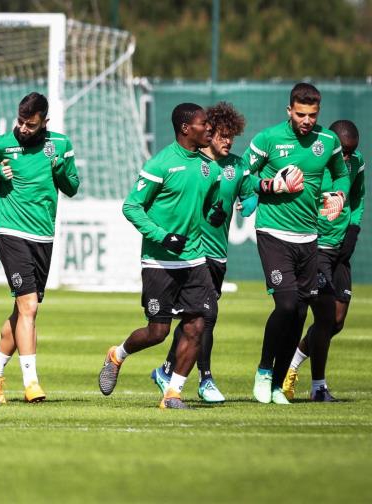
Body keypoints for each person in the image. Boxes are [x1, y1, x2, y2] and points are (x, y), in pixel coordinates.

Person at [99, 102, 223, 410]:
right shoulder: (160, 164)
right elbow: (131, 206)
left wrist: (215, 214)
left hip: (194, 259)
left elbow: (206, 207)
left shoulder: (211, 168)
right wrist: (163, 236)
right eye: (203, 123)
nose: (209, 128)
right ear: (185, 128)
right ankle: (118, 355)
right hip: (158, 262)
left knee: (198, 324)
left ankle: (173, 394)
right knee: (158, 332)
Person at [245, 83, 349, 405]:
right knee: (287, 305)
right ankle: (264, 371)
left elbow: (342, 175)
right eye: (301, 114)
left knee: (300, 313)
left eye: (312, 115)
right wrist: (271, 184)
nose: (306, 120)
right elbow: (243, 178)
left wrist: (339, 195)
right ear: (289, 110)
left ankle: (278, 386)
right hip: (274, 234)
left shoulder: (328, 142)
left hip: (310, 237)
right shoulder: (267, 139)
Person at [151, 102, 257, 403]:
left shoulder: (237, 166)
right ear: (208, 133)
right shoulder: (192, 163)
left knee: (194, 320)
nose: (227, 142)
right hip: (193, 253)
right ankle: (204, 378)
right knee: (205, 317)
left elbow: (249, 197)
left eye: (231, 137)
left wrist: (245, 205)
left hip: (218, 255)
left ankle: (167, 370)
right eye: (222, 135)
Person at [0, 92, 79, 404]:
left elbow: (72, 187)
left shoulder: (60, 145)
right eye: (21, 122)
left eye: (31, 125)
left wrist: (60, 168)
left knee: (23, 311)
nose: (23, 128)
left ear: (44, 123)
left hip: (43, 236)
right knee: (29, 308)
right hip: (11, 231)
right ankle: (31, 382)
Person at [283, 119, 364, 401]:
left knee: (337, 322)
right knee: (324, 316)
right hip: (316, 248)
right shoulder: (313, 163)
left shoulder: (355, 164)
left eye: (351, 153)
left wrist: (353, 229)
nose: (346, 158)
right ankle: (317, 386)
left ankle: (292, 365)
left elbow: (358, 196)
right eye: (342, 151)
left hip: (341, 250)